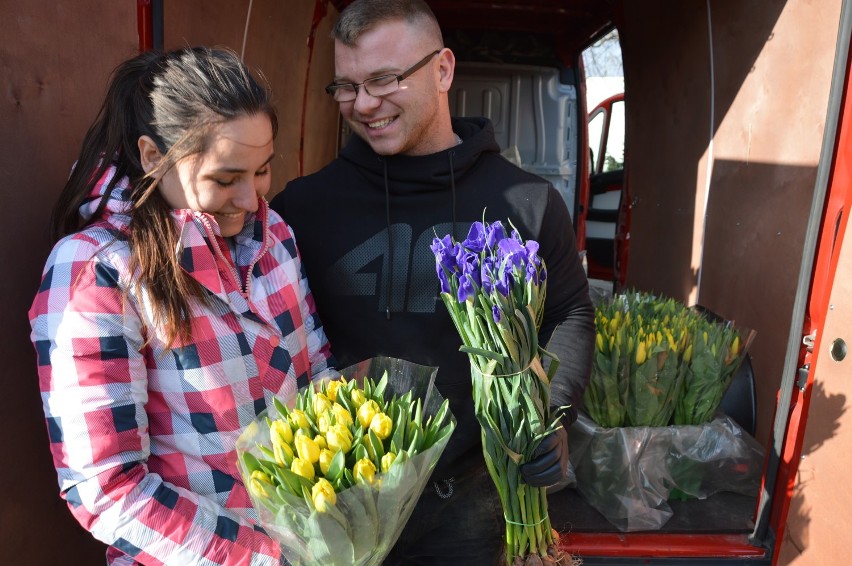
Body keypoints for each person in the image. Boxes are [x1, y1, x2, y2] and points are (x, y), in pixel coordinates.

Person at [269, 0, 595, 563]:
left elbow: (569, 312)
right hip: (335, 503)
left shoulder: (527, 201)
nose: (364, 104)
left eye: (384, 79)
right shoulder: (301, 207)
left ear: (442, 70)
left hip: (474, 499)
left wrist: (550, 416)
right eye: (346, 87)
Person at [29, 46, 332, 566]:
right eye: (224, 178)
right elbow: (107, 488)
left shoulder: (274, 234)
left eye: (261, 170)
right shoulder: (96, 270)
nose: (250, 198)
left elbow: (319, 376)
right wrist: (263, 558)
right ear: (152, 156)